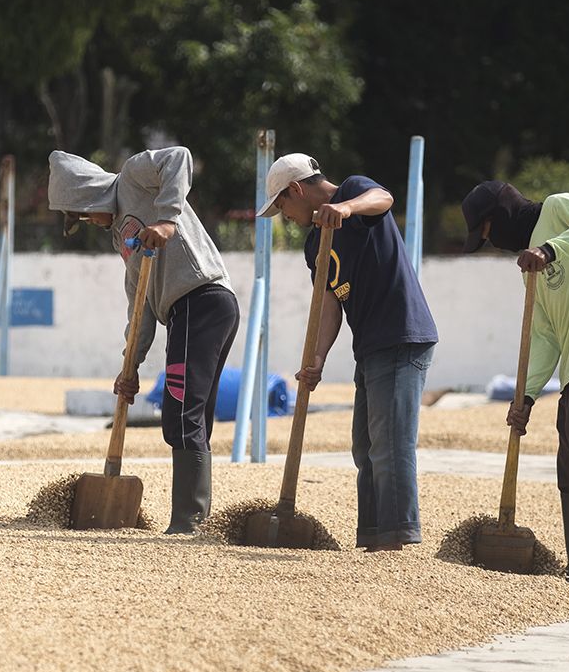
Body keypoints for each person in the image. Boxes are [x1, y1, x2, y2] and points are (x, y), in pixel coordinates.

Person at [460, 181, 569, 596]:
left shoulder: (557, 211)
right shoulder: (530, 273)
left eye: (487, 235)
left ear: (501, 216)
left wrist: (551, 249)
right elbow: (544, 337)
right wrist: (525, 394)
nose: (493, 245)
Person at [47, 146, 239, 534]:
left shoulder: (134, 175)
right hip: (186, 313)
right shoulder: (123, 237)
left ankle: (189, 522)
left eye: (82, 217)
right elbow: (141, 305)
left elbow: (181, 157)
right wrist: (129, 367)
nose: (91, 223)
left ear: (86, 197)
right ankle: (195, 521)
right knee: (192, 415)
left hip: (202, 300)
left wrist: (167, 219)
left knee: (181, 414)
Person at [257, 153, 438, 552]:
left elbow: (384, 198)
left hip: (400, 335)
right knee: (365, 447)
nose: (284, 214)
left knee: (390, 442)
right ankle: (373, 537)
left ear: (296, 189)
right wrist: (317, 358)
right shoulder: (314, 244)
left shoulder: (353, 190)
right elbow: (328, 303)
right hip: (370, 346)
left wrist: (346, 207)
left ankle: (396, 540)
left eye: (282, 204)